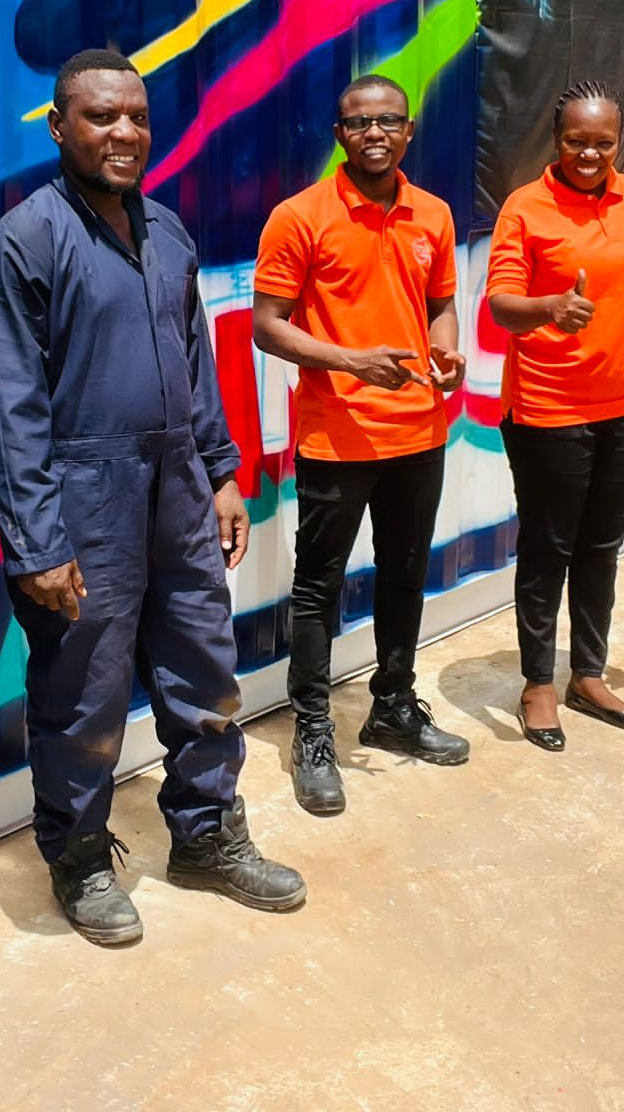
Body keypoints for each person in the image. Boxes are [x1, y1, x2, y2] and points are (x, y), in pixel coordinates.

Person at [0, 48, 305, 946]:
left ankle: (205, 833)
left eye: (136, 117)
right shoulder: (24, 244)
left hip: (178, 488)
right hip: (82, 500)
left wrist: (222, 472)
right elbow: (10, 409)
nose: (123, 133)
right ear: (59, 126)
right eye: (101, 117)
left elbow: (195, 368)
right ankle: (76, 858)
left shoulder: (167, 233)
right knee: (84, 690)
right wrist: (38, 543)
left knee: (203, 665)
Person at [252, 75, 470, 816]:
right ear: (339, 134)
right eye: (357, 122)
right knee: (319, 588)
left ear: (409, 131)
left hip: (419, 431)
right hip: (337, 436)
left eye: (387, 121)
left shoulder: (432, 215)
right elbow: (267, 324)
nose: (373, 132)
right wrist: (352, 362)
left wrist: (446, 352)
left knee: (405, 576)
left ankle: (393, 707)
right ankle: (313, 730)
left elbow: (440, 302)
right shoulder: (300, 216)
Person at [485, 80, 624, 753]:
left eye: (603, 141)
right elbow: (501, 304)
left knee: (601, 548)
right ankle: (539, 684)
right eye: (577, 141)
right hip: (550, 409)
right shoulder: (527, 208)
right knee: (548, 549)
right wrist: (549, 309)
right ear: (556, 138)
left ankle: (587, 676)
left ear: (619, 140)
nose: (590, 154)